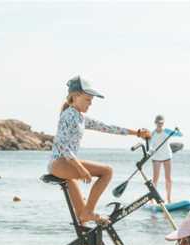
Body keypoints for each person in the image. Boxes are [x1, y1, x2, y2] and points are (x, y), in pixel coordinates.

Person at [48, 75, 150, 228]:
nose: (90, 104)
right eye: (88, 99)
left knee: (82, 219)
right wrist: (80, 168)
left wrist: (136, 132)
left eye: (91, 101)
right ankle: (90, 211)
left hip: (63, 165)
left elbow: (107, 127)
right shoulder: (69, 115)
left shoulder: (80, 117)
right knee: (107, 172)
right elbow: (61, 144)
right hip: (60, 164)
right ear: (75, 96)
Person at [147, 114, 180, 204]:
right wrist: (150, 151)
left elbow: (180, 135)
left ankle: (168, 199)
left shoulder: (167, 131)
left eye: (161, 123)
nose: (160, 124)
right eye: (158, 123)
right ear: (155, 123)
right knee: (155, 179)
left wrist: (176, 131)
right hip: (156, 157)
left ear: (163, 123)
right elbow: (150, 146)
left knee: (168, 178)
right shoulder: (152, 134)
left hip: (167, 156)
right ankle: (152, 200)